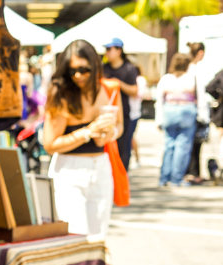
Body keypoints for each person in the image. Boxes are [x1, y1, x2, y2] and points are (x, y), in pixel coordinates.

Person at [43, 39, 122, 238]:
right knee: (75, 238)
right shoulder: (62, 95)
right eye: (72, 71)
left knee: (98, 238)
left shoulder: (109, 89)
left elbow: (120, 125)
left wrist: (110, 134)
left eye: (84, 70)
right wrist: (88, 131)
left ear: (95, 65)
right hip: (70, 171)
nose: (78, 75)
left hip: (101, 167)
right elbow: (50, 144)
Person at [155, 53, 200, 187]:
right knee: (183, 146)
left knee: (169, 145)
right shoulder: (191, 78)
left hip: (169, 111)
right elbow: (201, 99)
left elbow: (159, 99)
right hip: (186, 111)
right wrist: (203, 116)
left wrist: (159, 119)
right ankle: (176, 179)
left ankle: (164, 178)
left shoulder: (166, 78)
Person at [103, 38, 139, 171]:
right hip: (105, 113)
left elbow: (135, 91)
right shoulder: (103, 68)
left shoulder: (129, 68)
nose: (106, 52)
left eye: (109, 49)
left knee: (123, 147)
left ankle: (123, 174)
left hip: (123, 114)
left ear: (119, 51)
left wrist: (118, 84)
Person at [185, 42, 211, 179]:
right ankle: (194, 173)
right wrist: (204, 115)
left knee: (187, 143)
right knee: (196, 144)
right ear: (200, 53)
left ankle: (188, 172)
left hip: (184, 109)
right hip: (195, 111)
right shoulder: (195, 69)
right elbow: (200, 94)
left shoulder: (186, 67)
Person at [130, 65, 149, 168]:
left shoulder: (140, 80)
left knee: (130, 137)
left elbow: (138, 94)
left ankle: (137, 159)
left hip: (133, 113)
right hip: (130, 112)